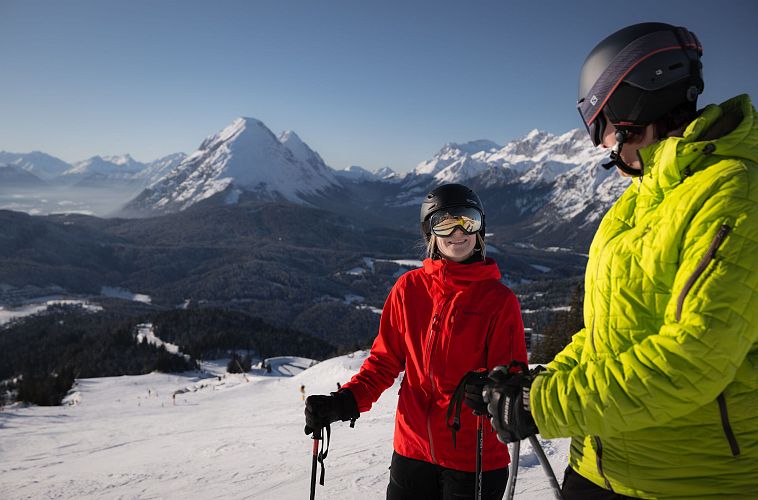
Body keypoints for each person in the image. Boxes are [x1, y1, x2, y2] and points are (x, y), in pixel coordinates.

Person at [484, 22, 758, 499]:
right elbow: (605, 336)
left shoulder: (733, 193)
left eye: (604, 123)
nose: (602, 142)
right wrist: (540, 381)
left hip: (688, 481)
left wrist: (542, 404)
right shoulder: (633, 205)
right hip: (596, 465)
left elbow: (692, 359)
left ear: (637, 101)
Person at [304, 183, 528, 500]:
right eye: (445, 223)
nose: (458, 232)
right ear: (430, 233)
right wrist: (345, 402)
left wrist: (491, 390)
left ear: (480, 229)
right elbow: (383, 362)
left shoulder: (499, 301)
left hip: (474, 458)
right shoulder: (409, 289)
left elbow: (514, 376)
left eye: (468, 220)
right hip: (412, 453)